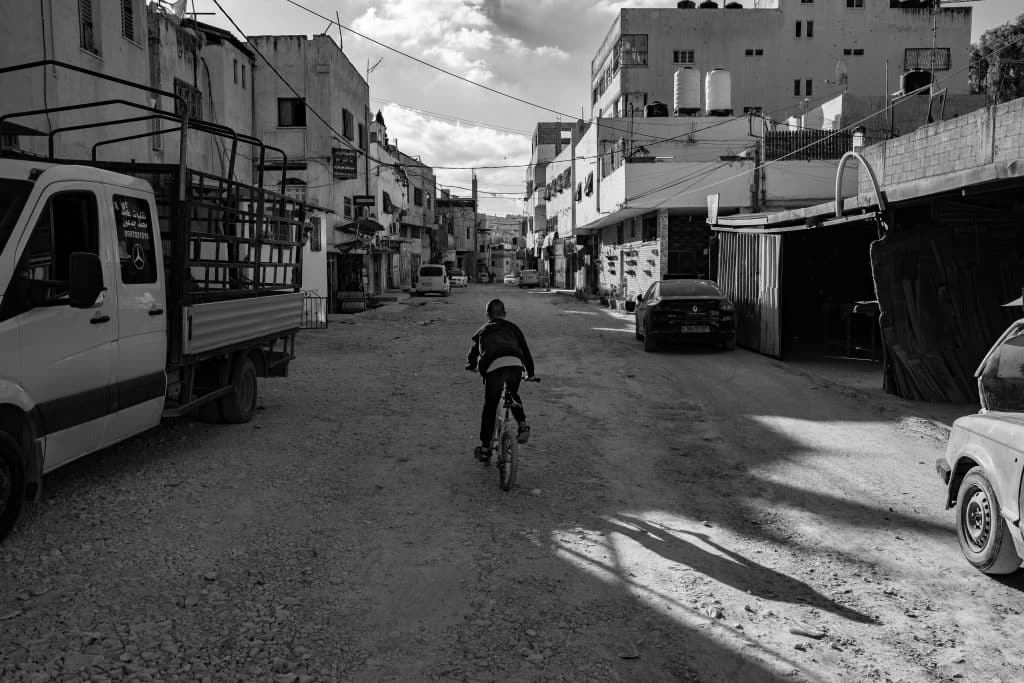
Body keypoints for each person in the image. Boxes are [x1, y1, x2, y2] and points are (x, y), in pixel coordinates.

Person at [465, 298, 537, 462]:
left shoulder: (483, 330)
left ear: (487, 315)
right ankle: (522, 425)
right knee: (512, 393)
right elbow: (525, 351)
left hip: (493, 366)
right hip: (515, 363)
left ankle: (485, 449)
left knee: (490, 406)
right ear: (505, 314)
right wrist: (530, 373)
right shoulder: (513, 328)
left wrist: (471, 365)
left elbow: (473, 352)